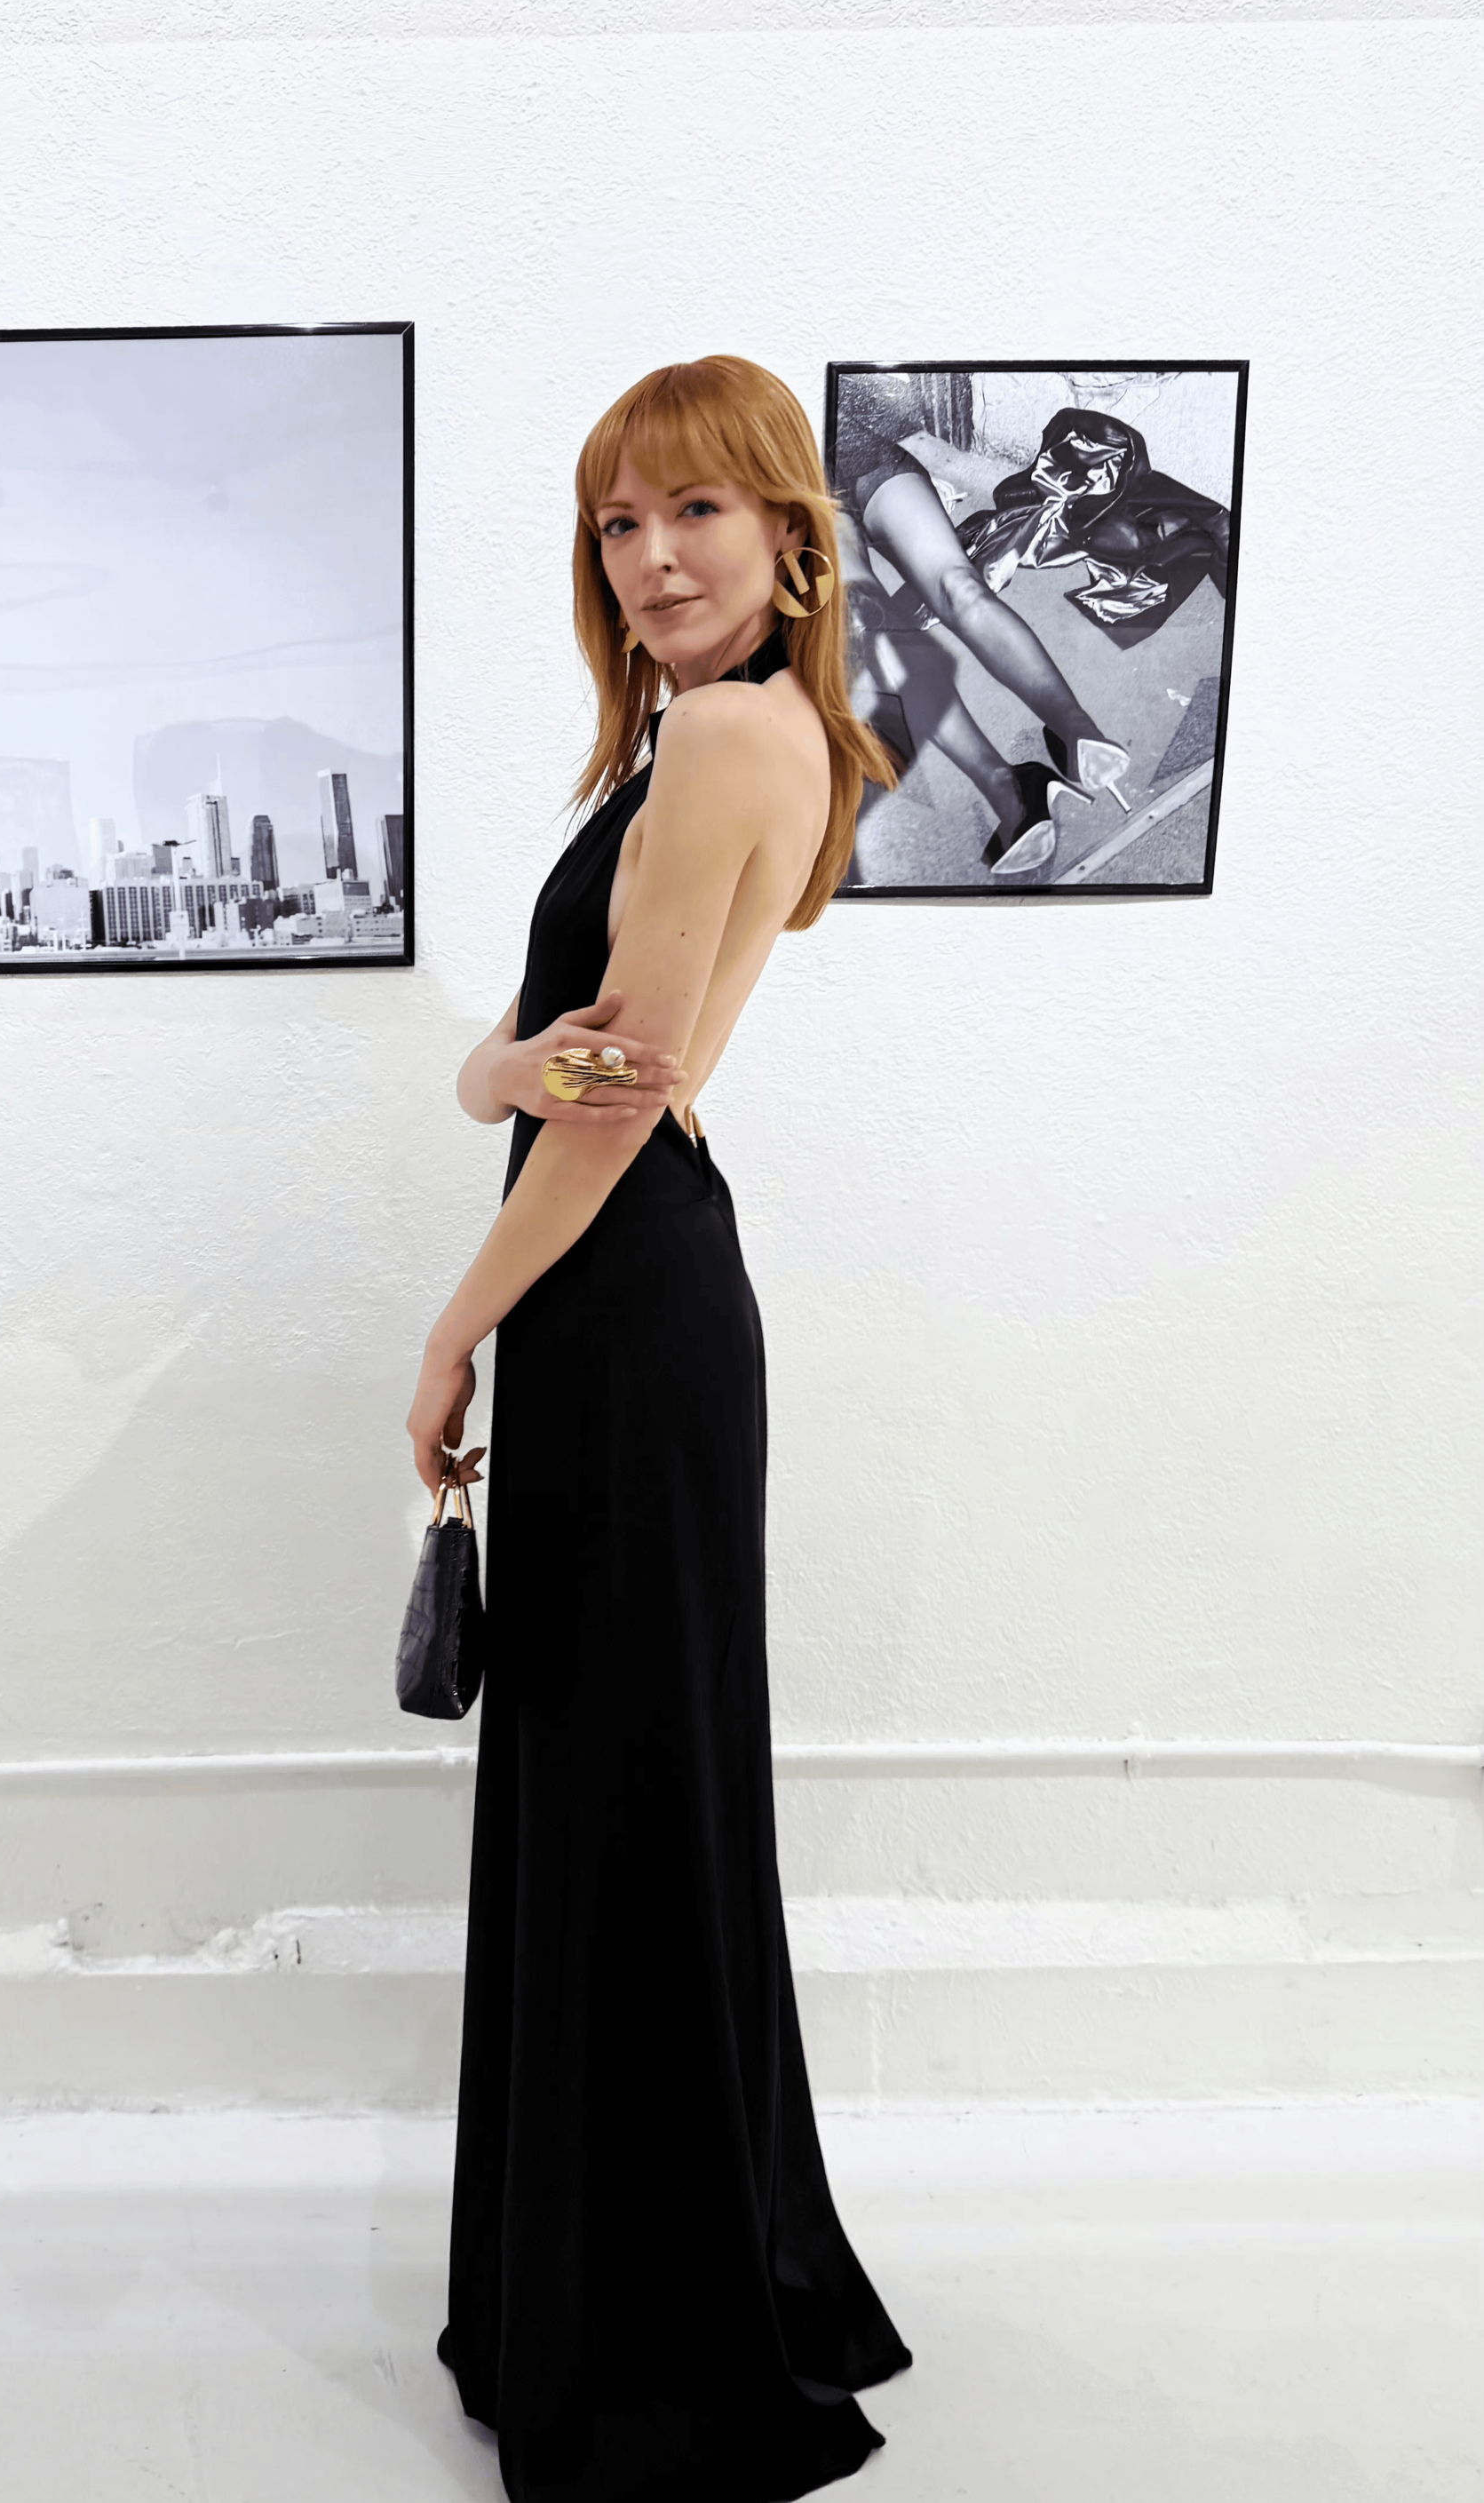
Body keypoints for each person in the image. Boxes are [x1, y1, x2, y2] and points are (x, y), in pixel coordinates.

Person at [411, 355, 913, 2499]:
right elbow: (549, 1056)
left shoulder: (726, 732)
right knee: (634, 1784)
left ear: (793, 533)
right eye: (620, 524)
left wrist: (448, 1332)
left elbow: (607, 1098)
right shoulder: (745, 740)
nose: (655, 560)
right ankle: (666, 2282)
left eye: (698, 513)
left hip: (618, 1296)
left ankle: (652, 2334)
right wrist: (495, 1079)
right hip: (629, 1307)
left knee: (626, 1792)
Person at [830, 369, 1129, 875]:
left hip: (802, 480)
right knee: (960, 587)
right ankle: (1078, 733)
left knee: (880, 637)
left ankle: (1011, 793)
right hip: (858, 452)